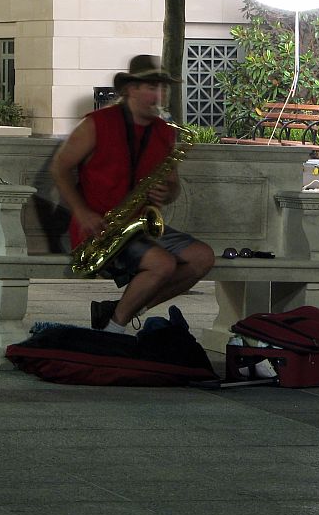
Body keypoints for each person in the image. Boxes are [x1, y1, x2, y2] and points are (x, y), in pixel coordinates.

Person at [50, 54, 215, 334]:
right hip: (100, 229)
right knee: (162, 264)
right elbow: (60, 169)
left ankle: (124, 310)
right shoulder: (97, 124)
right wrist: (82, 212)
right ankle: (113, 330)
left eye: (162, 88)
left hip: (138, 224)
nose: (159, 95)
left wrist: (167, 191)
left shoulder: (165, 133)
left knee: (203, 257)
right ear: (130, 89)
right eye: (151, 87)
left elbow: (172, 186)